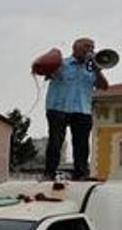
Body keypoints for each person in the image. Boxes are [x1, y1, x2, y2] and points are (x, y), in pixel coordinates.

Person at [44, 37, 109, 181]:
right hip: (58, 107)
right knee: (55, 141)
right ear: (76, 48)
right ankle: (49, 173)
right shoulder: (62, 64)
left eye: (92, 47)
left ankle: (81, 173)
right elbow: (45, 72)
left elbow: (103, 86)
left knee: (82, 144)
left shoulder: (91, 69)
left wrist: (98, 70)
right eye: (87, 46)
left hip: (82, 109)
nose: (91, 50)